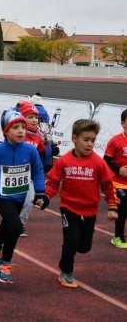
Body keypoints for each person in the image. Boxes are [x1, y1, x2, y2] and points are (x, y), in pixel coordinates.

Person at [37, 119, 118, 287]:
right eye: (86, 140)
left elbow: (108, 186)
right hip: (69, 208)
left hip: (90, 210)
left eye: (93, 141)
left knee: (84, 247)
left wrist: (112, 206)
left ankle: (71, 258)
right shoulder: (64, 161)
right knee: (71, 242)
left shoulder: (98, 163)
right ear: (74, 139)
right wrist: (45, 197)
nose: (90, 144)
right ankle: (66, 271)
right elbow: (52, 183)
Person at [0, 108, 45, 284]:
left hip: (20, 196)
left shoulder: (30, 151)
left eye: (23, 127)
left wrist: (40, 191)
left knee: (6, 225)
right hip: (1, 196)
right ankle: (5, 263)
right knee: (15, 226)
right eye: (15, 128)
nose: (21, 131)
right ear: (6, 131)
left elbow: (37, 171)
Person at [16, 101, 47, 237]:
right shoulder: (16, 134)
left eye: (36, 117)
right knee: (15, 201)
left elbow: (41, 150)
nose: (34, 120)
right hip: (13, 175)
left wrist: (48, 156)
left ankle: (20, 224)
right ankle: (11, 220)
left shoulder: (38, 136)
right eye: (30, 117)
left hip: (29, 175)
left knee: (28, 201)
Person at [103, 109, 127, 249]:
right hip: (117, 183)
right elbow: (106, 161)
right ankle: (117, 236)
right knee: (123, 208)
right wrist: (119, 170)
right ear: (122, 123)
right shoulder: (116, 141)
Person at [29, 92, 59, 171]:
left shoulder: (29, 111)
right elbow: (47, 135)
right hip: (44, 143)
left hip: (33, 142)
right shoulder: (45, 113)